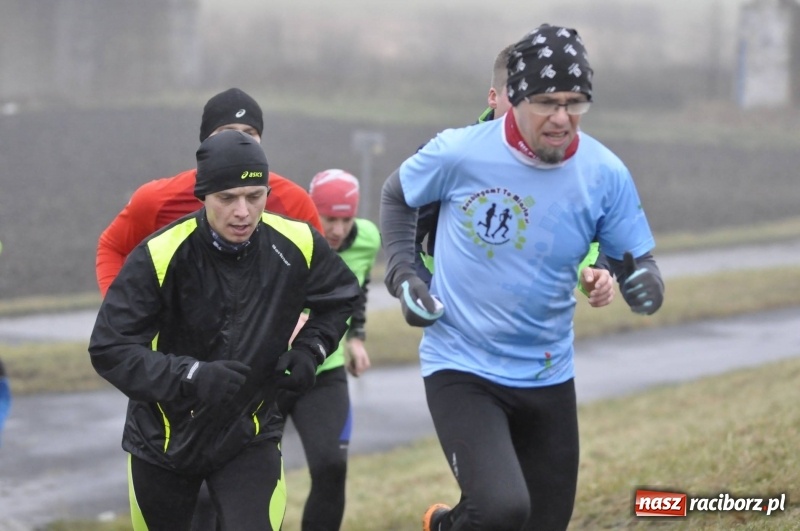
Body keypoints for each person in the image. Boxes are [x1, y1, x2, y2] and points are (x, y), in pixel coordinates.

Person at [379, 24, 665, 531]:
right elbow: (397, 195)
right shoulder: (459, 152)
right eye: (547, 102)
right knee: (502, 509)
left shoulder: (605, 172)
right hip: (461, 366)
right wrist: (405, 272)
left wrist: (645, 286)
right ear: (514, 97)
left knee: (543, 523)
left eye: (575, 103)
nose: (561, 118)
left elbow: (633, 261)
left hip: (547, 374)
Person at [89, 130, 361, 531]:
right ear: (203, 195)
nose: (243, 212)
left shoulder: (296, 243)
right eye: (228, 198)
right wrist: (191, 376)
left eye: (255, 196)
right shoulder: (160, 254)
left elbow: (340, 298)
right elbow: (110, 348)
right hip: (164, 442)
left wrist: (311, 350)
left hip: (249, 436)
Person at [414, 43, 606, 298]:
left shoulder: (572, 164)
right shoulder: (446, 156)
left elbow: (596, 235)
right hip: (458, 331)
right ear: (493, 96)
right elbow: (402, 236)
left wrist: (594, 273)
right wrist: (429, 291)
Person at [96, 87, 323, 297]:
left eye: (249, 132)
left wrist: (303, 322)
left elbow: (323, 280)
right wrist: (118, 315)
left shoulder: (294, 201)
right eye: (226, 131)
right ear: (205, 141)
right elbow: (112, 247)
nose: (239, 139)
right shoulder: (158, 200)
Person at [280, 168, 381, 530]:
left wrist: (356, 336)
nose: (337, 230)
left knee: (331, 466)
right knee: (256, 476)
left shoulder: (368, 238)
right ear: (311, 210)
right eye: (329, 219)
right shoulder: (284, 234)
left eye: (345, 219)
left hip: (325, 367)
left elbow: (358, 287)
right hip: (270, 371)